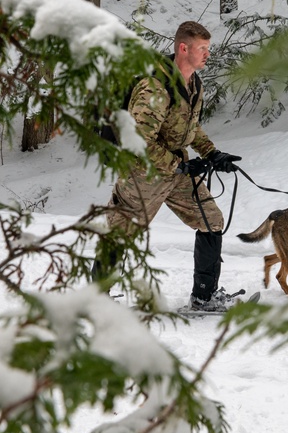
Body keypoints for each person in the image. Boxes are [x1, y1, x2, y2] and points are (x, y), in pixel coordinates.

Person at [96, 21, 243, 312]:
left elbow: (190, 126)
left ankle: (204, 297)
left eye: (208, 49)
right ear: (183, 48)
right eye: (202, 49)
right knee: (120, 233)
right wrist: (177, 165)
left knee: (211, 221)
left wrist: (212, 153)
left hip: (177, 171)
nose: (207, 55)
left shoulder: (193, 84)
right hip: (144, 174)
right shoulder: (155, 87)